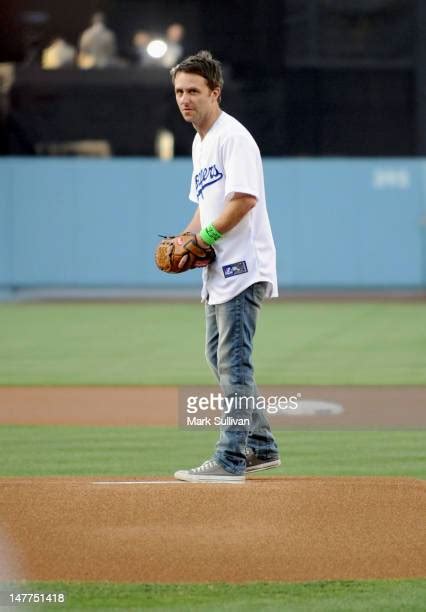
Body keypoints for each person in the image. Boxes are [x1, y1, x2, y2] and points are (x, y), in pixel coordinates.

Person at [171, 51, 280, 483]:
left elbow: (243, 199)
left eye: (194, 91)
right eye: (179, 91)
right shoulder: (201, 142)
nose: (185, 99)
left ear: (215, 92)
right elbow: (205, 207)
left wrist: (206, 240)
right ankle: (262, 446)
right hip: (219, 271)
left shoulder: (233, 137)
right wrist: (185, 239)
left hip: (241, 266)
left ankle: (231, 458)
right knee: (218, 358)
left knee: (234, 364)